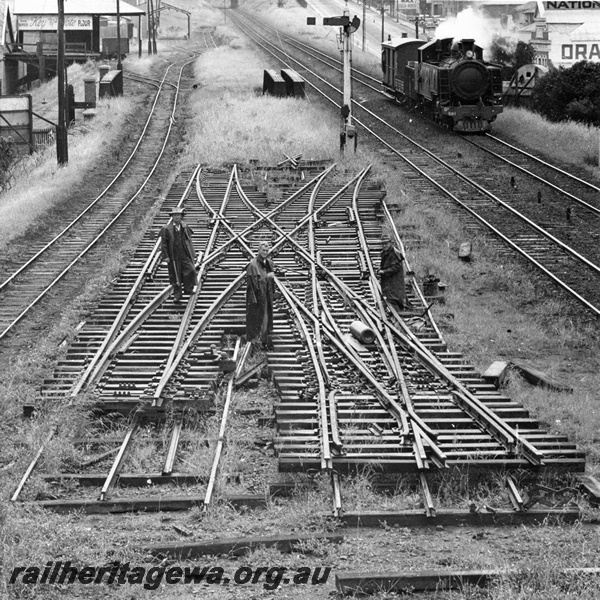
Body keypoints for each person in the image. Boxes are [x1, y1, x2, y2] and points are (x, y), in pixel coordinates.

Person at [160, 207, 196, 303]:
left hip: (184, 254)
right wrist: (166, 256)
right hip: (173, 256)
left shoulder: (184, 227)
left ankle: (188, 289)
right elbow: (163, 244)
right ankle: (177, 296)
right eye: (175, 215)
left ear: (181, 217)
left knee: (191, 270)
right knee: (175, 275)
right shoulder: (166, 229)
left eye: (178, 215)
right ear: (172, 217)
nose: (176, 217)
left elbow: (189, 241)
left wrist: (193, 253)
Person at [246, 241, 275, 349]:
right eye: (263, 250)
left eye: (267, 251)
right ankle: (256, 341)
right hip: (256, 299)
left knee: (266, 318)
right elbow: (254, 284)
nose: (265, 252)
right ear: (258, 250)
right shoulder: (253, 265)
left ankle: (263, 339)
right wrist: (267, 277)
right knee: (258, 319)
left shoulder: (268, 262)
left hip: (266, 296)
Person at [379, 234, 409, 311]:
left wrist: (384, 271)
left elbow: (396, 267)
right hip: (388, 280)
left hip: (395, 280)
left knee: (395, 298)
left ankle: (398, 312)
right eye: (383, 244)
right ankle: (391, 311)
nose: (384, 245)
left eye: (386, 243)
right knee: (388, 297)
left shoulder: (395, 253)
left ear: (390, 243)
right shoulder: (385, 252)